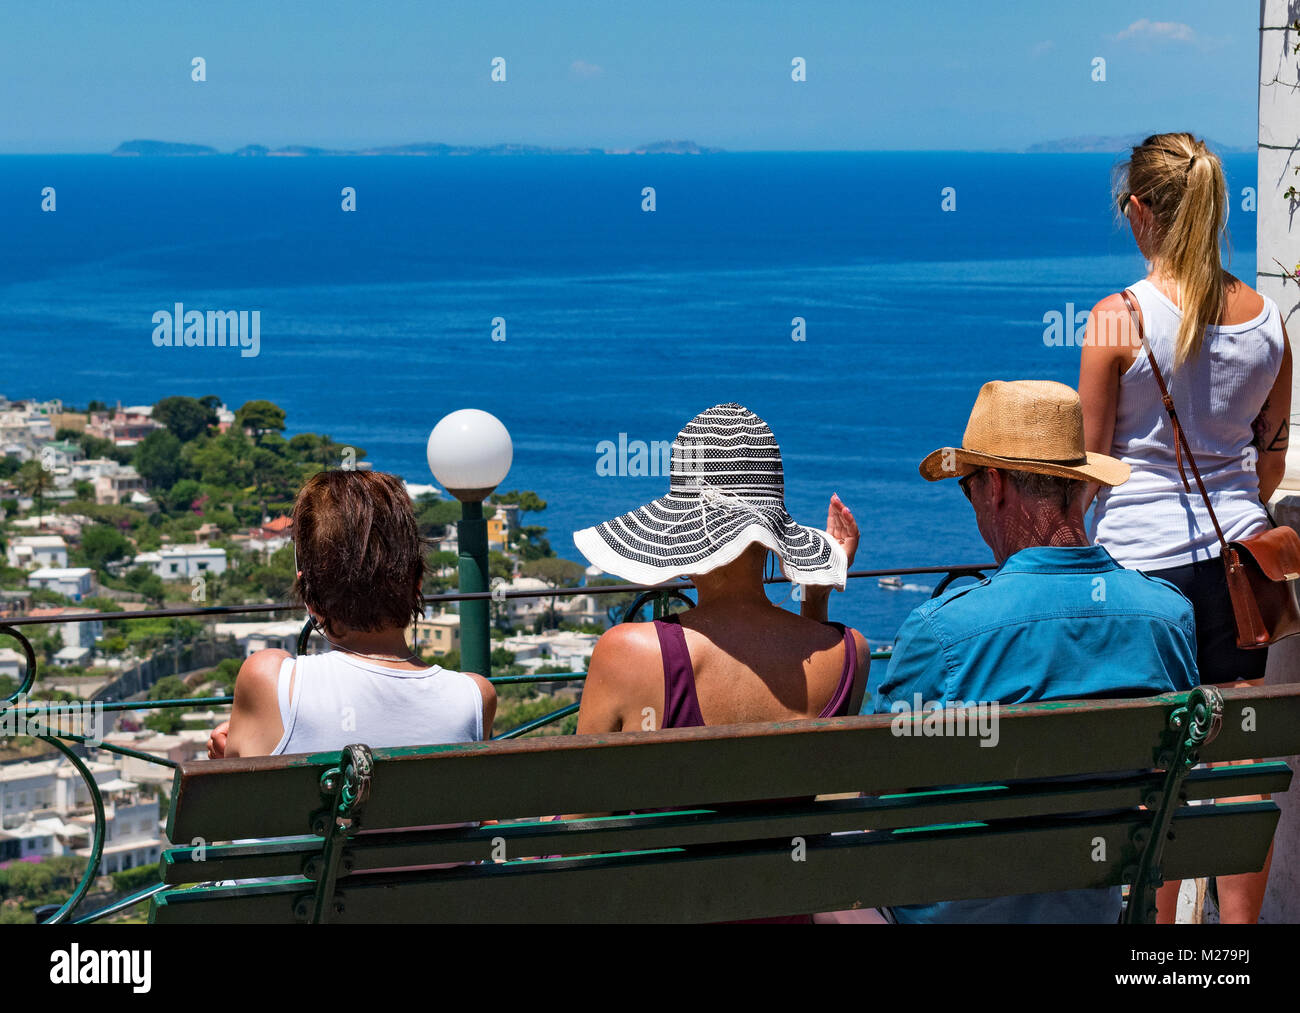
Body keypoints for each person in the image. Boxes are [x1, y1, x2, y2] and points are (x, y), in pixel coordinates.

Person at [813, 380, 1199, 923]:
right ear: (1079, 487)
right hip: (1092, 913)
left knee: (819, 880)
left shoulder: (942, 632)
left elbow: (881, 794)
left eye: (967, 487)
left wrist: (815, 592)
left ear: (994, 486)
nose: (972, 504)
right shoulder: (1168, 619)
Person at [1079, 132, 1292, 923]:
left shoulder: (1115, 320)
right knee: (1241, 762)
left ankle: (1154, 943)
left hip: (1142, 576)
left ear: (1140, 211)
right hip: (1243, 567)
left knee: (1152, 772)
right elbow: (1267, 468)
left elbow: (1093, 467)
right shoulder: (1269, 322)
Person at [573, 401, 869, 739]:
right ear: (774, 535)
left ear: (681, 535)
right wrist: (815, 595)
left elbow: (582, 784)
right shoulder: (849, 654)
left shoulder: (628, 654)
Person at [207, 470, 495, 760]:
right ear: (417, 582)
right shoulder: (474, 699)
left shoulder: (269, 678)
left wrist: (229, 755)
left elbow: (237, 799)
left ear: (310, 596)